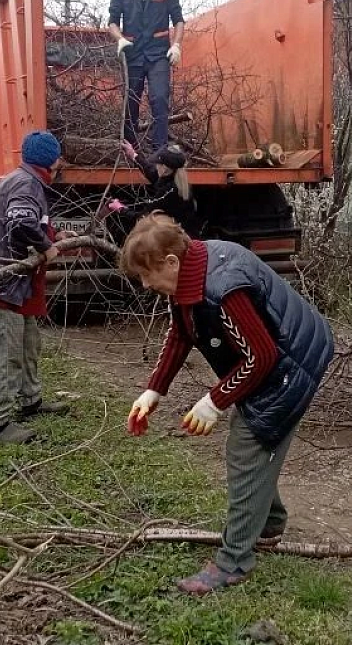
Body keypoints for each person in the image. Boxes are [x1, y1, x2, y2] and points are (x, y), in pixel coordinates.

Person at [120, 214, 334, 593]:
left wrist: (214, 402)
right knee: (253, 445)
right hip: (274, 357)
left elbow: (262, 357)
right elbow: (182, 331)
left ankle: (234, 561)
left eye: (147, 274)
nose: (146, 283)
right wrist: (155, 389)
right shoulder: (191, 271)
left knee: (248, 443)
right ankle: (269, 525)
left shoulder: (223, 288)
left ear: (171, 261)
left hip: (292, 360)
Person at [0, 131, 71, 444]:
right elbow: (21, 222)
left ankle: (30, 401)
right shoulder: (26, 183)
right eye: (58, 155)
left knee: (28, 344)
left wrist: (54, 235)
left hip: (15, 281)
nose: (61, 161)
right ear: (49, 159)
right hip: (2, 281)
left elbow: (30, 220)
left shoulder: (25, 178)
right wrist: (45, 247)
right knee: (6, 351)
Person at [108, 0, 185, 153]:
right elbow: (112, 21)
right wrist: (119, 38)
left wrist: (176, 45)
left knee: (159, 99)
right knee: (131, 101)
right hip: (133, 55)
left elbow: (178, 19)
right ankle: (130, 149)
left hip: (158, 54)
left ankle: (160, 150)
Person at [106, 141, 201, 236]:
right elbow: (150, 170)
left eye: (158, 164)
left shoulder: (168, 192)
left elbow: (142, 218)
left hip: (179, 239)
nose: (155, 166)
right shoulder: (174, 178)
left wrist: (120, 209)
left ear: (164, 168)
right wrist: (133, 154)